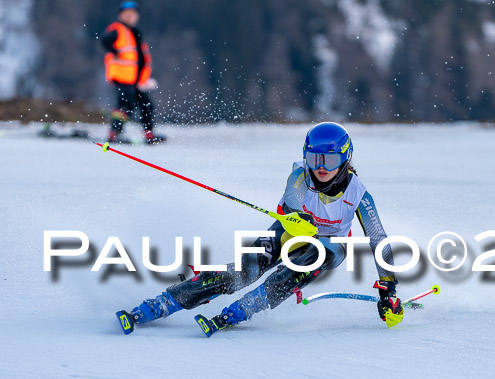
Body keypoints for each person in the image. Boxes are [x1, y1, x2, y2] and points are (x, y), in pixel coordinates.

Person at [116, 122, 404, 336]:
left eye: (329, 160)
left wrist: (387, 288)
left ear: (345, 158)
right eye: (315, 159)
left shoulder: (359, 194)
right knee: (246, 270)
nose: (321, 168)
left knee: (312, 257)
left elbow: (379, 240)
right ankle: (167, 301)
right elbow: (290, 205)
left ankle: (247, 306)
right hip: (293, 230)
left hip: (330, 245)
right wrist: (297, 218)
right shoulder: (299, 176)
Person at [101, 1, 166, 144]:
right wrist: (115, 51)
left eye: (133, 14)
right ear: (121, 16)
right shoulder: (118, 29)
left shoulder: (135, 32)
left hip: (135, 79)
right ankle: (114, 134)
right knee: (126, 104)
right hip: (121, 76)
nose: (130, 17)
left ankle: (148, 134)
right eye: (127, 14)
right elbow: (105, 40)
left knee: (146, 104)